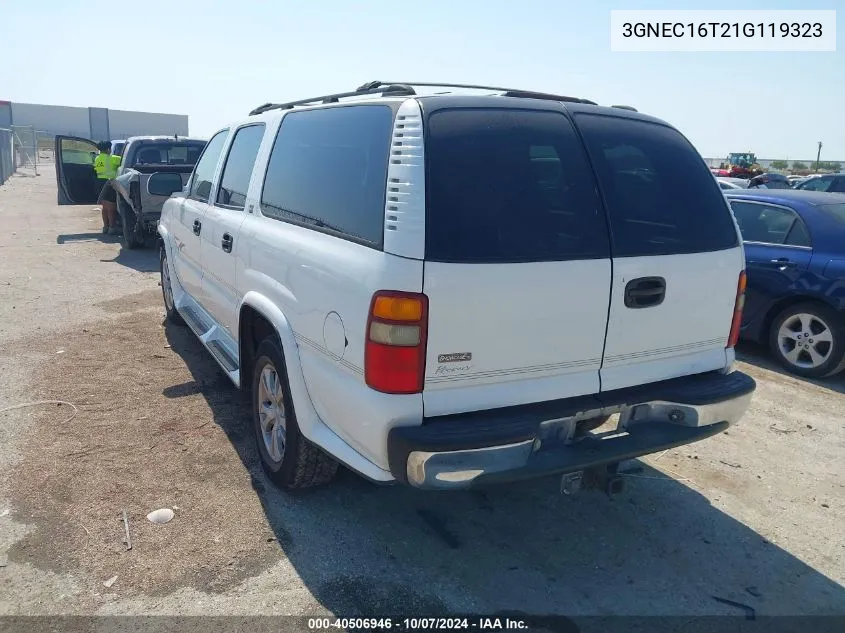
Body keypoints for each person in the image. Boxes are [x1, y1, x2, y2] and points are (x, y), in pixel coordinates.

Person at [93, 141, 122, 234]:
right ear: (109, 149)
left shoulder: (97, 158)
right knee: (112, 208)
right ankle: (112, 228)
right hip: (109, 183)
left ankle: (106, 227)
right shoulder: (113, 158)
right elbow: (125, 161)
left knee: (105, 207)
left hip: (99, 183)